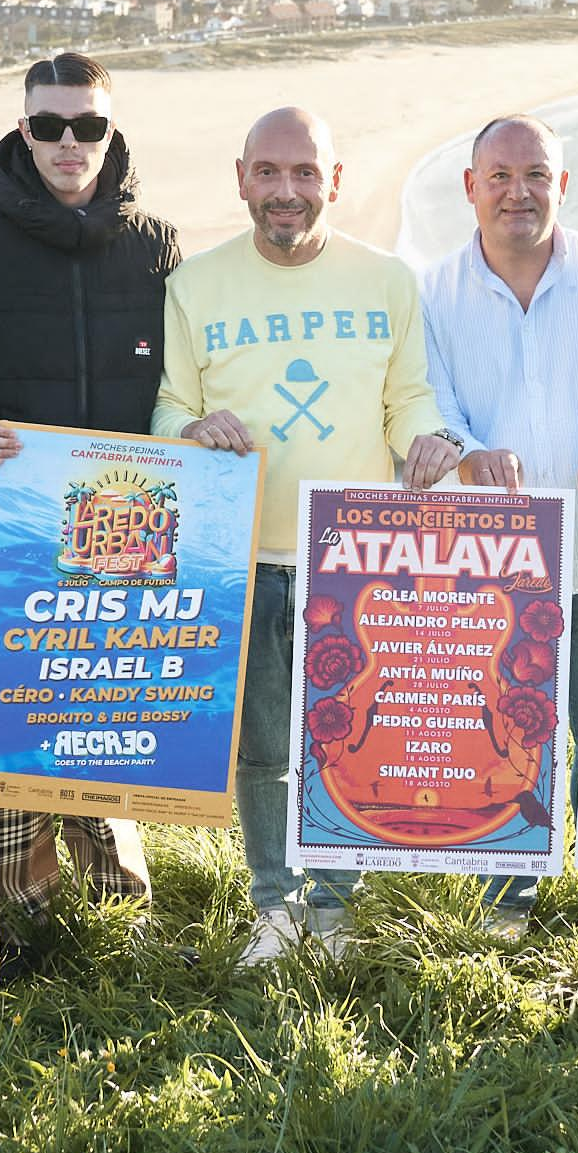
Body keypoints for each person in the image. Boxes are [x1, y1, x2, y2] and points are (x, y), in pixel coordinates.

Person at [152, 105, 460, 969]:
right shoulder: (194, 284)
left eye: (304, 173)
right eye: (268, 172)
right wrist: (192, 428)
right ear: (241, 175)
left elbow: (410, 400)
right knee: (262, 747)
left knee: (343, 738)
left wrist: (433, 441)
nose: (286, 191)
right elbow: (169, 407)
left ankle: (333, 908)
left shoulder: (390, 280)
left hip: (353, 556)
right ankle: (275, 907)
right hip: (243, 554)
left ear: (335, 181)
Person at [0, 53, 181, 939]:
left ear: (112, 131)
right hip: (10, 533)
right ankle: (17, 928)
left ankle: (120, 916)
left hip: (128, 534)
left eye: (89, 126)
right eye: (49, 126)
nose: (70, 145)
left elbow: (182, 377)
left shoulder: (156, 244)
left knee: (103, 720)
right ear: (23, 129)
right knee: (14, 734)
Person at [420, 114, 578, 948]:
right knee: (505, 726)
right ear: (471, 187)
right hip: (493, 563)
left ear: (562, 184)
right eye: (500, 176)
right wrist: (467, 449)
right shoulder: (431, 291)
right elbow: (428, 401)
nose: (518, 191)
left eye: (536, 175)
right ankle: (504, 895)